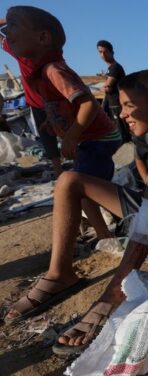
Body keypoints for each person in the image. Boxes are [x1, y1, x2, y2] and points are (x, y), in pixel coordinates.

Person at [4, 68, 148, 355]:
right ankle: (60, 274)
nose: (121, 114)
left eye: (128, 106)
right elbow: (141, 161)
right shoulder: (141, 139)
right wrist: (146, 186)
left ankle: (114, 291)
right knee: (69, 180)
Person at [3, 6, 121, 242]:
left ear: (43, 38)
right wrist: (52, 122)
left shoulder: (53, 70)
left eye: (13, 25)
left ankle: (115, 231)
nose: (7, 31)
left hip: (98, 138)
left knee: (83, 188)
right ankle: (112, 229)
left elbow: (88, 104)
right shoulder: (40, 72)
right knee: (89, 186)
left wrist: (70, 136)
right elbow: (58, 105)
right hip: (89, 138)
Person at [0, 15, 63, 177]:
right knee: (63, 136)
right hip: (52, 102)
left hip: (43, 103)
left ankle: (61, 171)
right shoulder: (53, 52)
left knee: (51, 138)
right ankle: (68, 171)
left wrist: (10, 20)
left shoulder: (22, 53)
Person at [97, 39, 129, 142]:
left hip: (117, 105)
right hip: (112, 105)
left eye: (105, 51)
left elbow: (108, 85)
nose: (103, 54)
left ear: (111, 52)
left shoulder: (115, 67)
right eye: (100, 52)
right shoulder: (110, 69)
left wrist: (105, 86)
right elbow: (107, 88)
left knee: (122, 134)